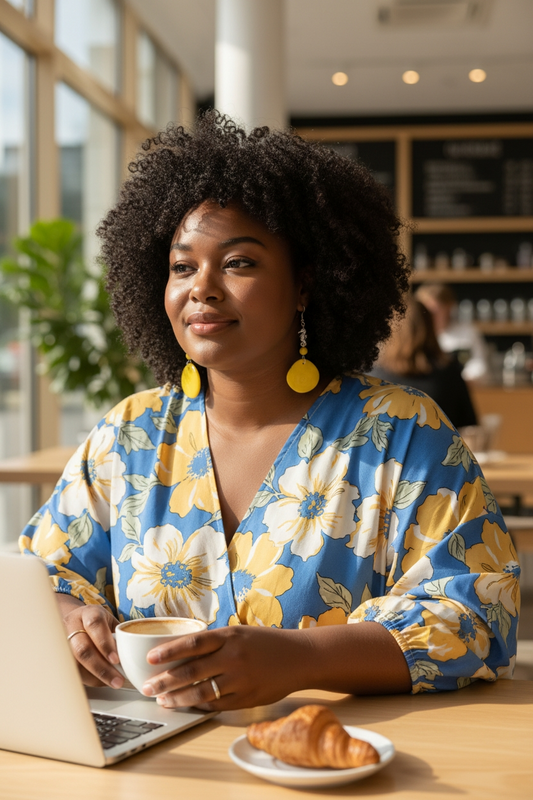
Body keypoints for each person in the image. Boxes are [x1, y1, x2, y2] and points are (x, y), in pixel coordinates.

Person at [20, 113, 519, 711]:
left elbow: (478, 613)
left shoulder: (404, 433)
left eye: (238, 263)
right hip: (155, 771)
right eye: (182, 267)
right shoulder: (130, 433)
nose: (201, 288)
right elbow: (35, 575)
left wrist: (299, 661)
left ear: (306, 284)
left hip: (337, 768)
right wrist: (72, 620)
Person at [371, 297, 478, 430]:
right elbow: (469, 428)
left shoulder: (373, 376)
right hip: (439, 449)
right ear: (430, 327)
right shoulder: (449, 374)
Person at [415, 283, 490, 383]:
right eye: (425, 311)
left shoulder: (468, 333)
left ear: (449, 307)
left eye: (435, 310)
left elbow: (479, 366)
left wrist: (454, 382)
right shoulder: (416, 337)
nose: (430, 315)